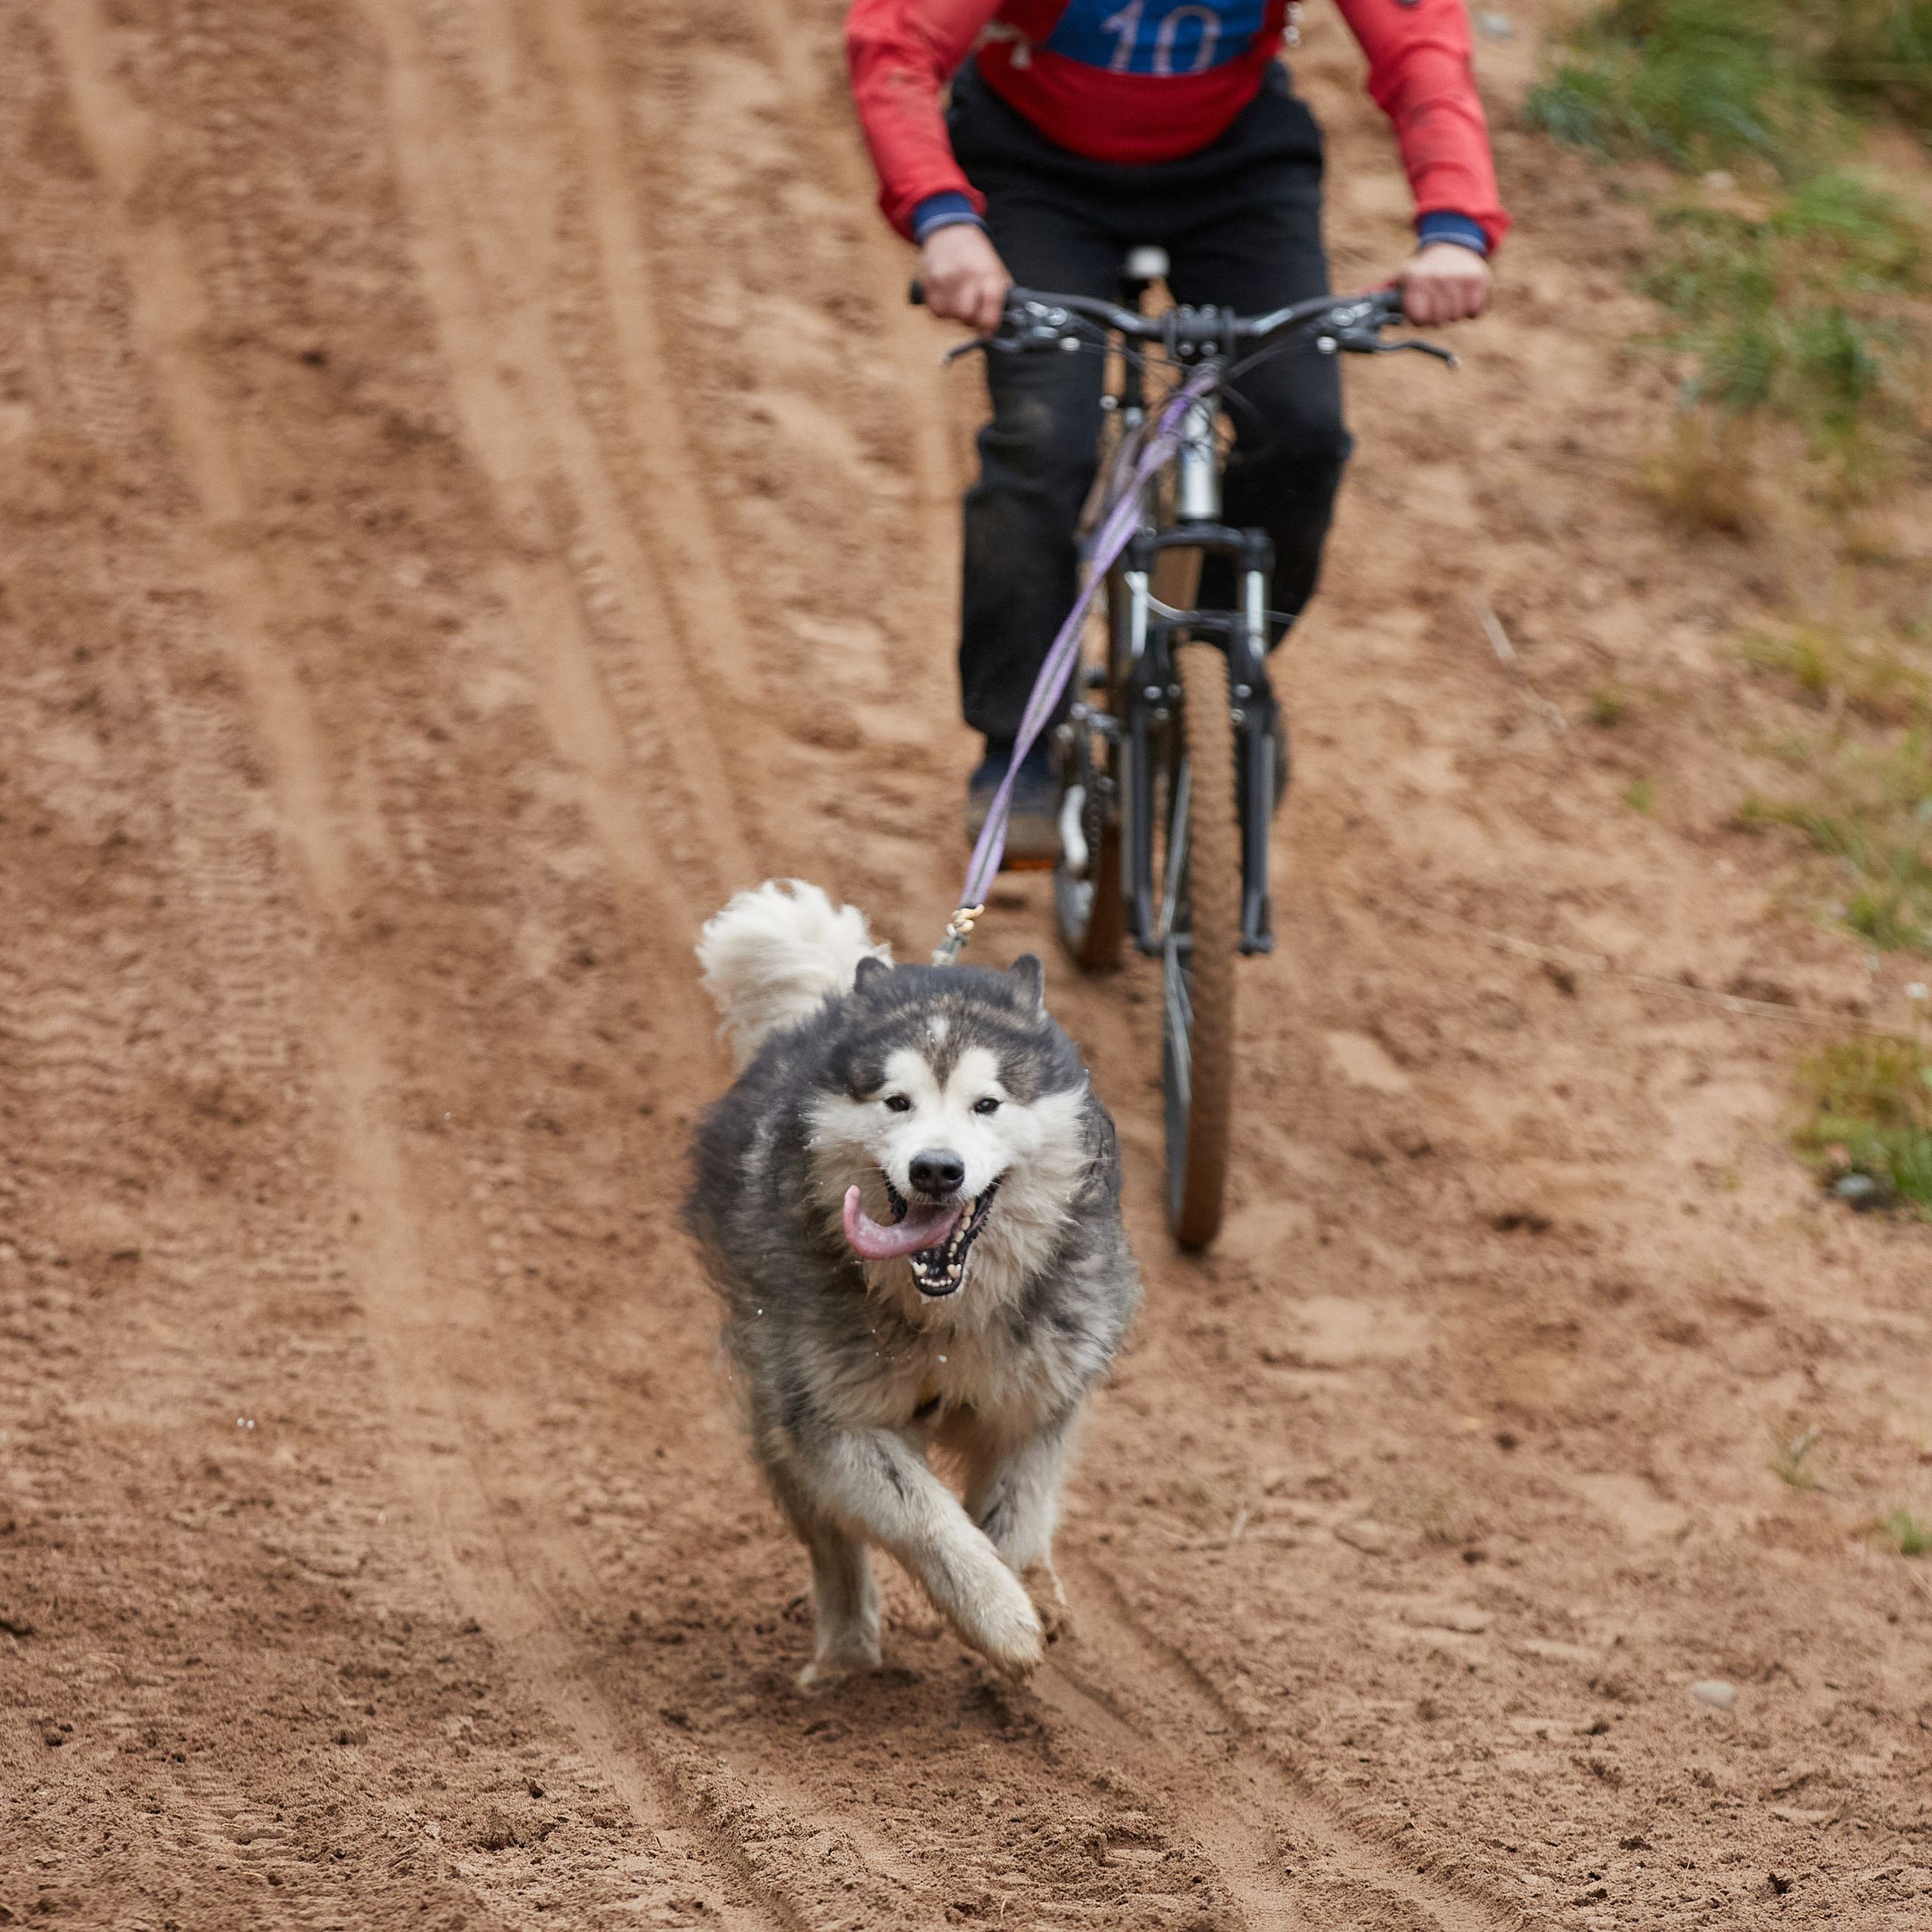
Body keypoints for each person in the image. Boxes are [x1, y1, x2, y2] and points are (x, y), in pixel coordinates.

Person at [845, 0, 1509, 859]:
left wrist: (1454, 226)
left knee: (1302, 431)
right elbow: (895, 41)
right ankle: (1018, 747)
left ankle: (1220, 679)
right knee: (1041, 444)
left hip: (1234, 169)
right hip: (1033, 170)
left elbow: (1418, 38)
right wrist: (943, 220)